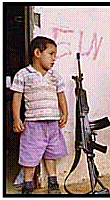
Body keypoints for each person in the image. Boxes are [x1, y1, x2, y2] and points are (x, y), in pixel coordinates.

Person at [10, 36, 69, 194]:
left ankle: (53, 181)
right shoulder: (23, 74)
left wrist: (65, 112)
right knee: (30, 153)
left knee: (51, 153)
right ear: (37, 53)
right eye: (51, 54)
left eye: (55, 55)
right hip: (33, 123)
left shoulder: (54, 76)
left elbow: (60, 95)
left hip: (53, 123)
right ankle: (28, 183)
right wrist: (16, 118)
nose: (54, 58)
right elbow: (17, 97)